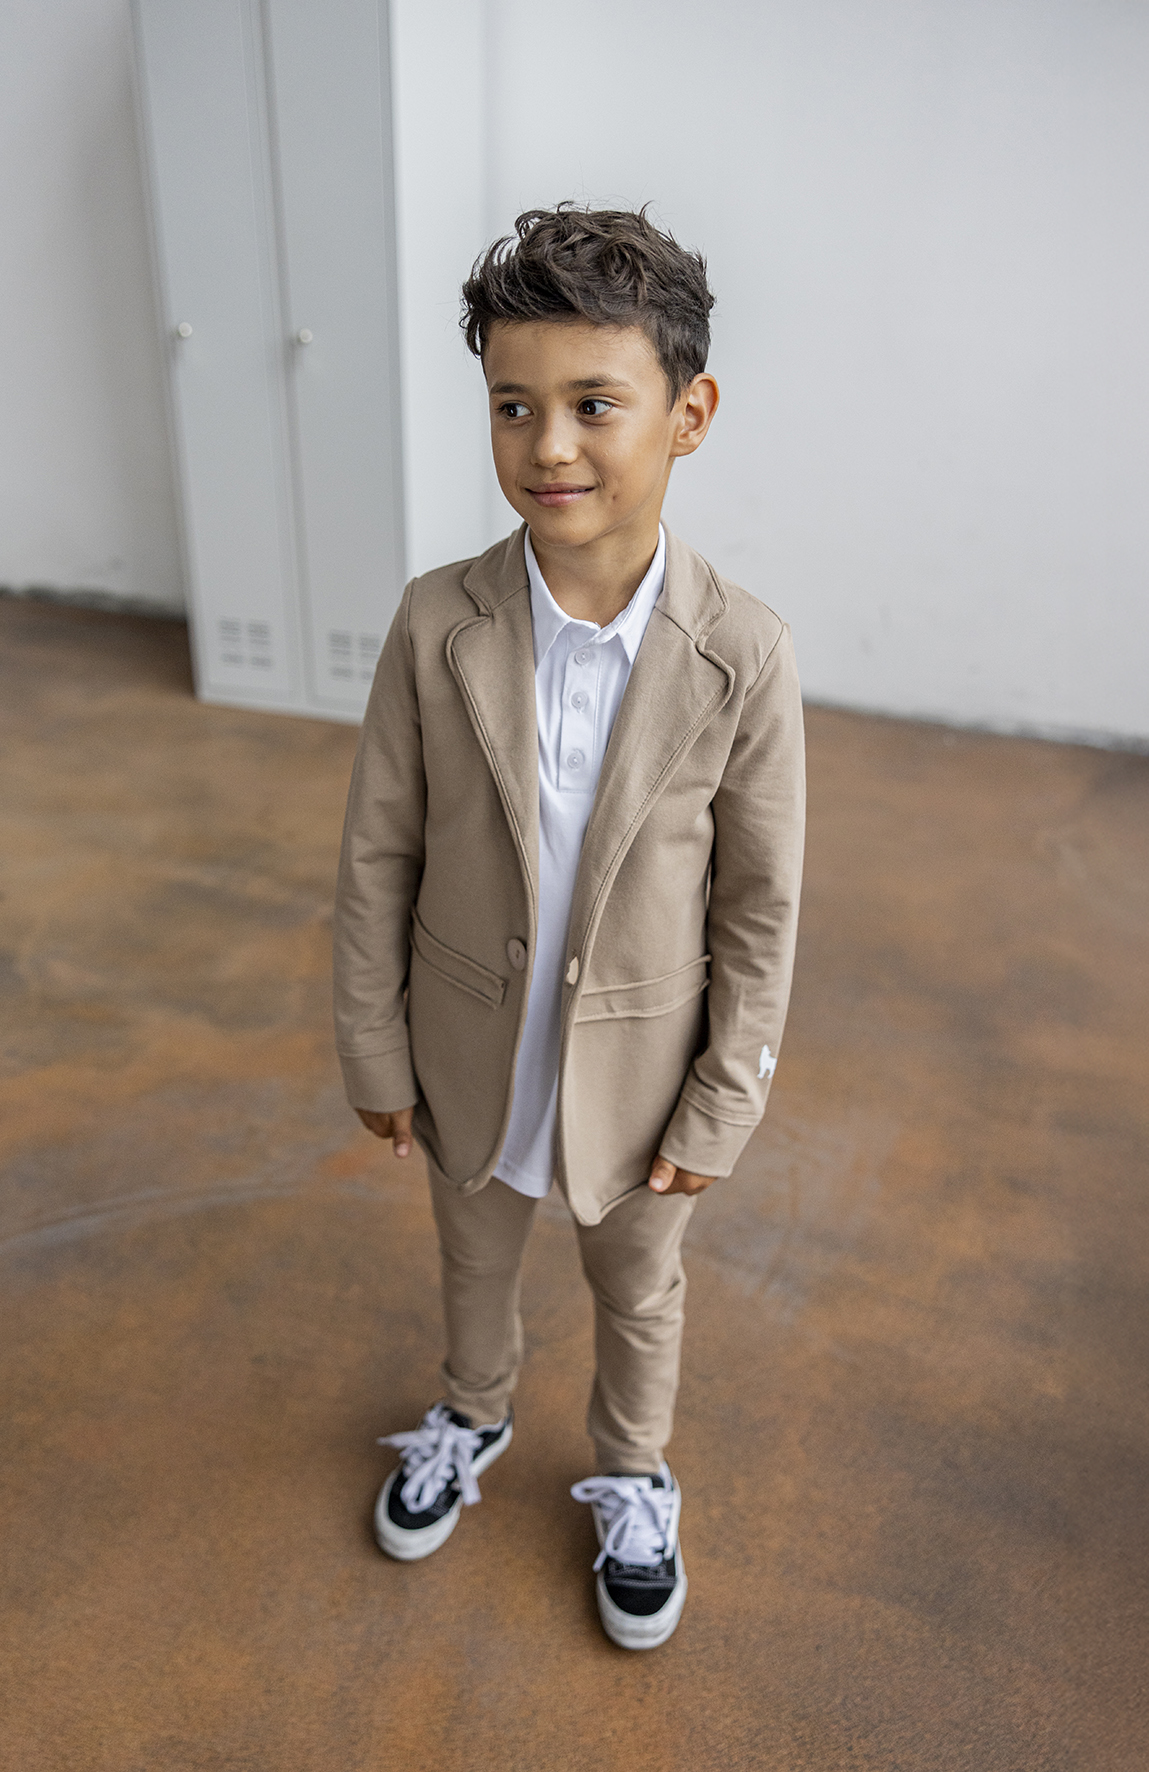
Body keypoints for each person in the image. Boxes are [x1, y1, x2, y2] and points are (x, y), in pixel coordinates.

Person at [333, 205, 805, 1651]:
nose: (549, 446)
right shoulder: (436, 623)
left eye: (596, 405)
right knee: (473, 1258)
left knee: (638, 1288)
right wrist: (373, 1048)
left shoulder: (743, 653)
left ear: (688, 415)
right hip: (469, 1046)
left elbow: (759, 906)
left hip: (644, 1073)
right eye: (513, 406)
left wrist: (722, 1101)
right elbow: (379, 851)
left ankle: (632, 1468)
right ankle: (471, 1412)